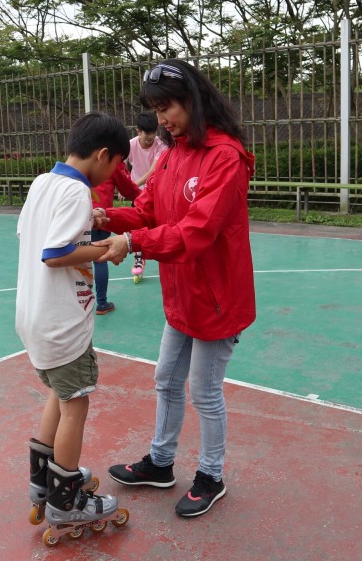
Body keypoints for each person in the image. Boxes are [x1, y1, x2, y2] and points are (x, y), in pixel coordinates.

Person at [92, 60, 256, 518]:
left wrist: (133, 242)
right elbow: (147, 209)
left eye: (168, 108)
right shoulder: (173, 152)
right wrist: (106, 217)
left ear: (193, 101)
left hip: (218, 298)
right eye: (156, 109)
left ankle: (211, 476)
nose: (162, 118)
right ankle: (161, 463)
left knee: (205, 391)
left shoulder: (225, 156)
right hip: (182, 293)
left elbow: (197, 231)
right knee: (165, 379)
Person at [15, 111, 130, 534]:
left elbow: (36, 237)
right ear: (103, 154)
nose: (114, 173)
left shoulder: (42, 182)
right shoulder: (77, 190)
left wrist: (88, 226)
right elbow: (54, 254)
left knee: (60, 396)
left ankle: (44, 483)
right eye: (116, 164)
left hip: (33, 317)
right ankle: (66, 502)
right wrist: (105, 250)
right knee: (76, 404)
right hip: (61, 321)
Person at [91, 159, 140, 314]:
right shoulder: (111, 160)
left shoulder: (81, 157)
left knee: (78, 260)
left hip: (79, 214)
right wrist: (146, 198)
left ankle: (79, 303)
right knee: (100, 259)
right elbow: (129, 190)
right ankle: (102, 303)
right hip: (100, 216)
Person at [127, 111, 168, 281]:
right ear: (138, 131)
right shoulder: (130, 145)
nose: (151, 136)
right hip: (138, 194)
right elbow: (119, 165)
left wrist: (131, 185)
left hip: (157, 191)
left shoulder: (161, 145)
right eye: (147, 133)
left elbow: (153, 171)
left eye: (153, 132)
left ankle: (167, 260)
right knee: (138, 226)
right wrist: (125, 185)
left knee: (161, 227)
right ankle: (139, 259)